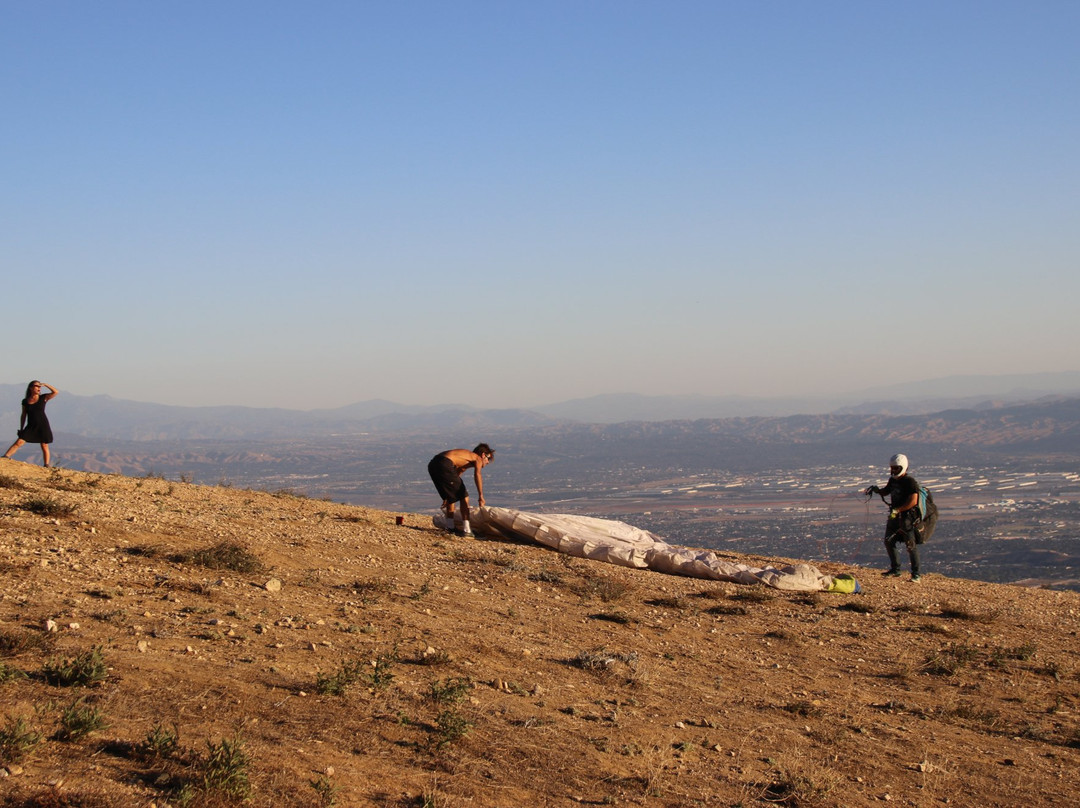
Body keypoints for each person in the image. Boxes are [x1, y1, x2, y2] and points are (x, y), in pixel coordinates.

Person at [864, 453, 922, 582]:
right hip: (894, 516)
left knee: (910, 545)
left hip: (907, 518)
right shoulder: (893, 480)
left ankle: (916, 574)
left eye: (896, 468)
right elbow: (887, 491)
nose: (893, 470)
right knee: (888, 541)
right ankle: (895, 569)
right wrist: (877, 490)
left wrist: (899, 509)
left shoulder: (909, 481)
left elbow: (913, 500)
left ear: (903, 467)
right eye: (892, 468)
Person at [427, 444, 494, 537]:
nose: (487, 462)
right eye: (488, 459)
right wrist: (481, 496)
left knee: (452, 497)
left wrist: (448, 492)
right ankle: (467, 530)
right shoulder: (477, 458)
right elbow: (477, 475)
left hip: (433, 464)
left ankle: (450, 528)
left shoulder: (466, 458)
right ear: (483, 455)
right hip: (444, 463)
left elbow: (458, 473)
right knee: (464, 496)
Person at [3, 381, 59, 467]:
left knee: (44, 445)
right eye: (36, 386)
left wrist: (46, 385)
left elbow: (56, 392)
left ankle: (46, 465)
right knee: (19, 442)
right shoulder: (25, 401)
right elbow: (23, 415)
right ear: (31, 388)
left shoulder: (43, 398)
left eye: (39, 386)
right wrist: (21, 428)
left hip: (42, 425)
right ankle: (5, 457)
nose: (38, 388)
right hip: (31, 426)